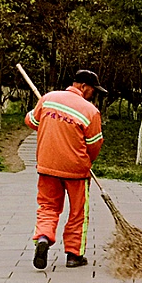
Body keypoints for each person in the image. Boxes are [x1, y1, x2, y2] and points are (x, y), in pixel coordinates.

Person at [25, 69, 104, 268]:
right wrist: (87, 162)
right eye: (93, 90)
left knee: (48, 207)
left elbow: (31, 121)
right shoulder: (91, 112)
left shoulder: (48, 99)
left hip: (47, 166)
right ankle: (74, 255)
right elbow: (94, 145)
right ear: (83, 87)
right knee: (78, 213)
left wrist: (50, 120)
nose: (93, 94)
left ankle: (43, 238)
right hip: (76, 171)